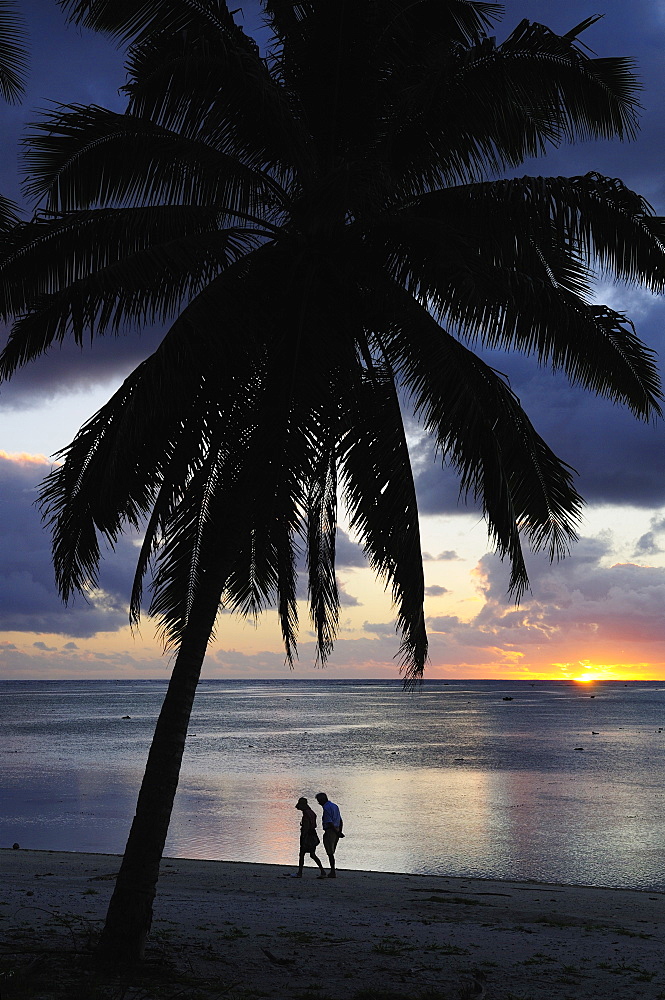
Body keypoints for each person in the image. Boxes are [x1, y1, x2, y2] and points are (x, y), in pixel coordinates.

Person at [294, 797, 326, 878]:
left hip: (307, 836)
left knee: (302, 854)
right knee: (312, 854)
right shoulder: (312, 812)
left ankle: (299, 873)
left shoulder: (306, 814)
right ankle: (322, 871)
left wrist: (303, 837)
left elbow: (306, 827)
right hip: (313, 835)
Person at [315, 791, 344, 878]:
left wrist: (337, 832)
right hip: (337, 829)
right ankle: (332, 871)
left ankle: (332, 871)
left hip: (331, 831)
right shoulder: (335, 806)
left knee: (330, 852)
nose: (318, 803)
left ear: (322, 800)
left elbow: (330, 822)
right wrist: (339, 831)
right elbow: (340, 820)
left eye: (319, 801)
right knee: (331, 851)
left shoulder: (326, 808)